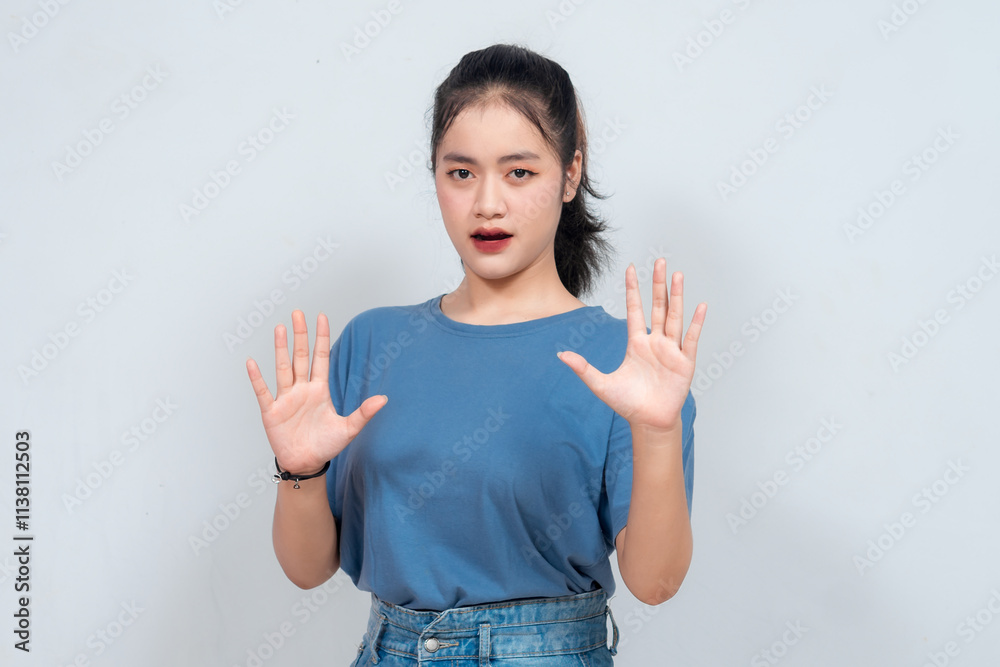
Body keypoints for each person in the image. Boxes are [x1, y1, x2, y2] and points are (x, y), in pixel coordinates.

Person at [246, 42, 707, 666]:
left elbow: (655, 583)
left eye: (520, 172)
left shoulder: (625, 364)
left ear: (571, 174)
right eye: (461, 172)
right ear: (435, 175)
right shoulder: (372, 342)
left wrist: (656, 431)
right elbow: (306, 570)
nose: (487, 203)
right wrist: (299, 472)